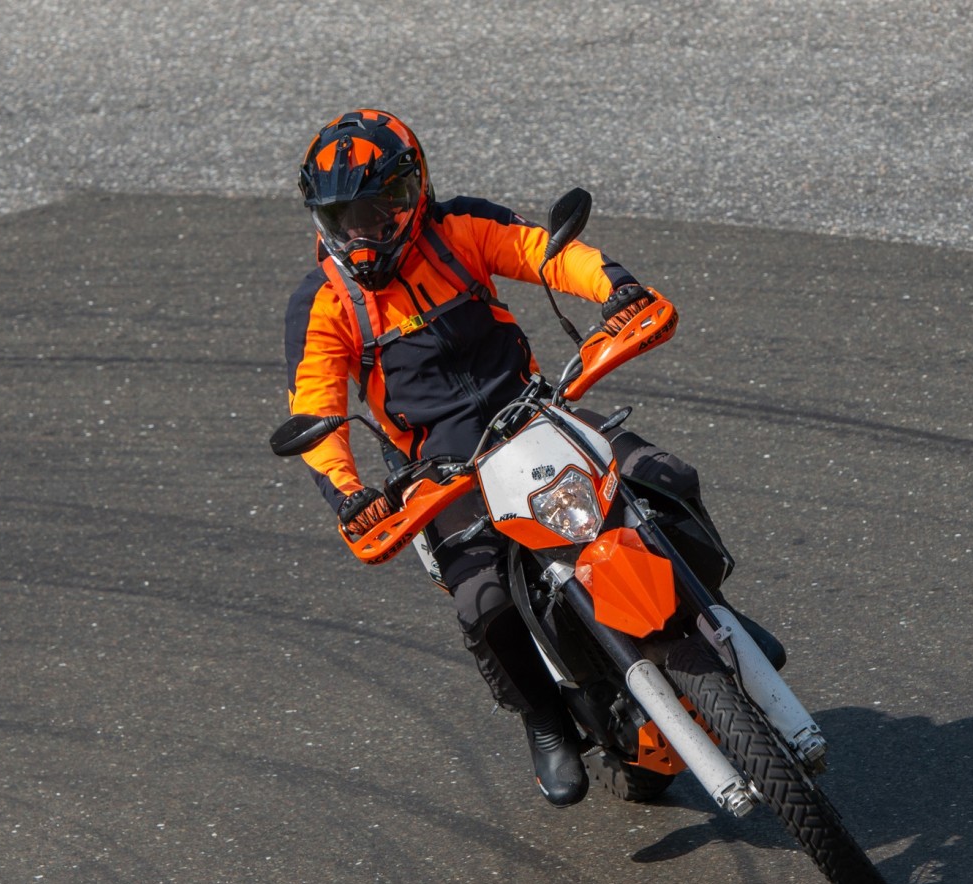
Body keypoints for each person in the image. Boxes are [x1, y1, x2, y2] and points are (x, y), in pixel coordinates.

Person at [282, 108, 710, 807]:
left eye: (379, 210)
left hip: (534, 413)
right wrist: (351, 493)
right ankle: (546, 723)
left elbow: (549, 252)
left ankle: (708, 613)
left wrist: (617, 289)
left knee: (663, 478)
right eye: (343, 218)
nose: (363, 232)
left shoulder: (459, 229)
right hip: (441, 474)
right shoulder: (325, 301)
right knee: (484, 600)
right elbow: (315, 410)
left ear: (415, 192)